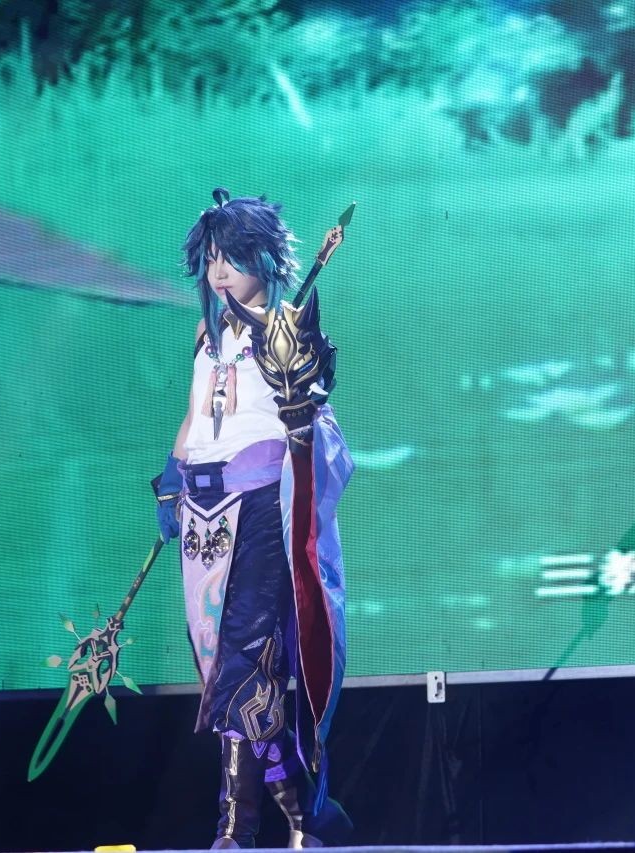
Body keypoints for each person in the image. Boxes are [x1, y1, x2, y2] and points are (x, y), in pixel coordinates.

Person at [151, 188, 353, 849]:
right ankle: (303, 818)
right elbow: (194, 418)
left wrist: (300, 374)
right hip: (204, 515)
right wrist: (171, 479)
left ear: (264, 258)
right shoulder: (207, 336)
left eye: (231, 257)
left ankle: (237, 827)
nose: (218, 271)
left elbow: (312, 423)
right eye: (211, 258)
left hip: (263, 509)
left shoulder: (290, 330)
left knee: (244, 667)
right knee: (227, 672)